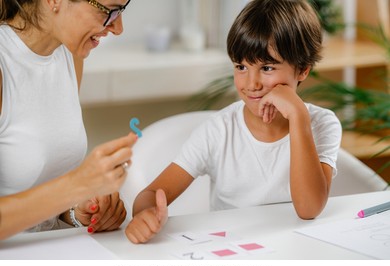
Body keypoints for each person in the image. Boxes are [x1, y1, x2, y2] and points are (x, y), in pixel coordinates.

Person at [125, 0, 342, 244]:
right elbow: (151, 194)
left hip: (295, 248)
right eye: (241, 66)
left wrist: (299, 117)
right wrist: (145, 214)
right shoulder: (218, 131)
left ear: (302, 70)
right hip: (232, 249)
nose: (251, 83)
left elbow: (309, 209)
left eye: (267, 67)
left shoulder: (323, 124)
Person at [0, 0, 137, 240]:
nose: (118, 28)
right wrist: (78, 184)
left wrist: (77, 211)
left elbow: (42, 200)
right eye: (109, 11)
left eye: (121, 11)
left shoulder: (69, 56)